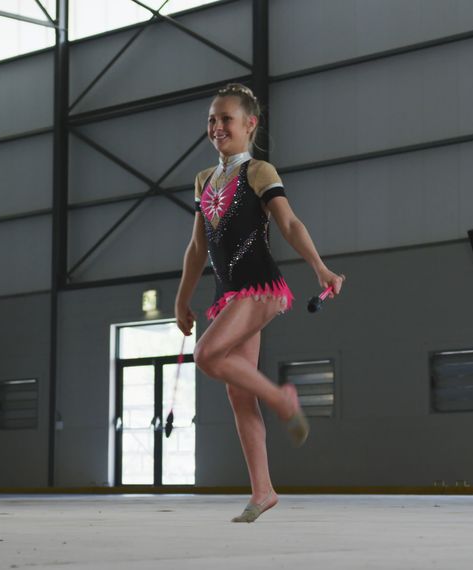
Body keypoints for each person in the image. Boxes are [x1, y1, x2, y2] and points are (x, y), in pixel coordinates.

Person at [174, 83, 344, 523]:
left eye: (226, 119)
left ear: (250, 124)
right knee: (237, 393)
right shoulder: (202, 180)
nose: (216, 127)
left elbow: (288, 222)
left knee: (207, 354)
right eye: (212, 119)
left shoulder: (259, 172)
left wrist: (320, 268)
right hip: (228, 294)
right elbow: (197, 249)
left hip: (260, 288)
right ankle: (263, 490)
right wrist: (181, 300)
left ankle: (283, 400)